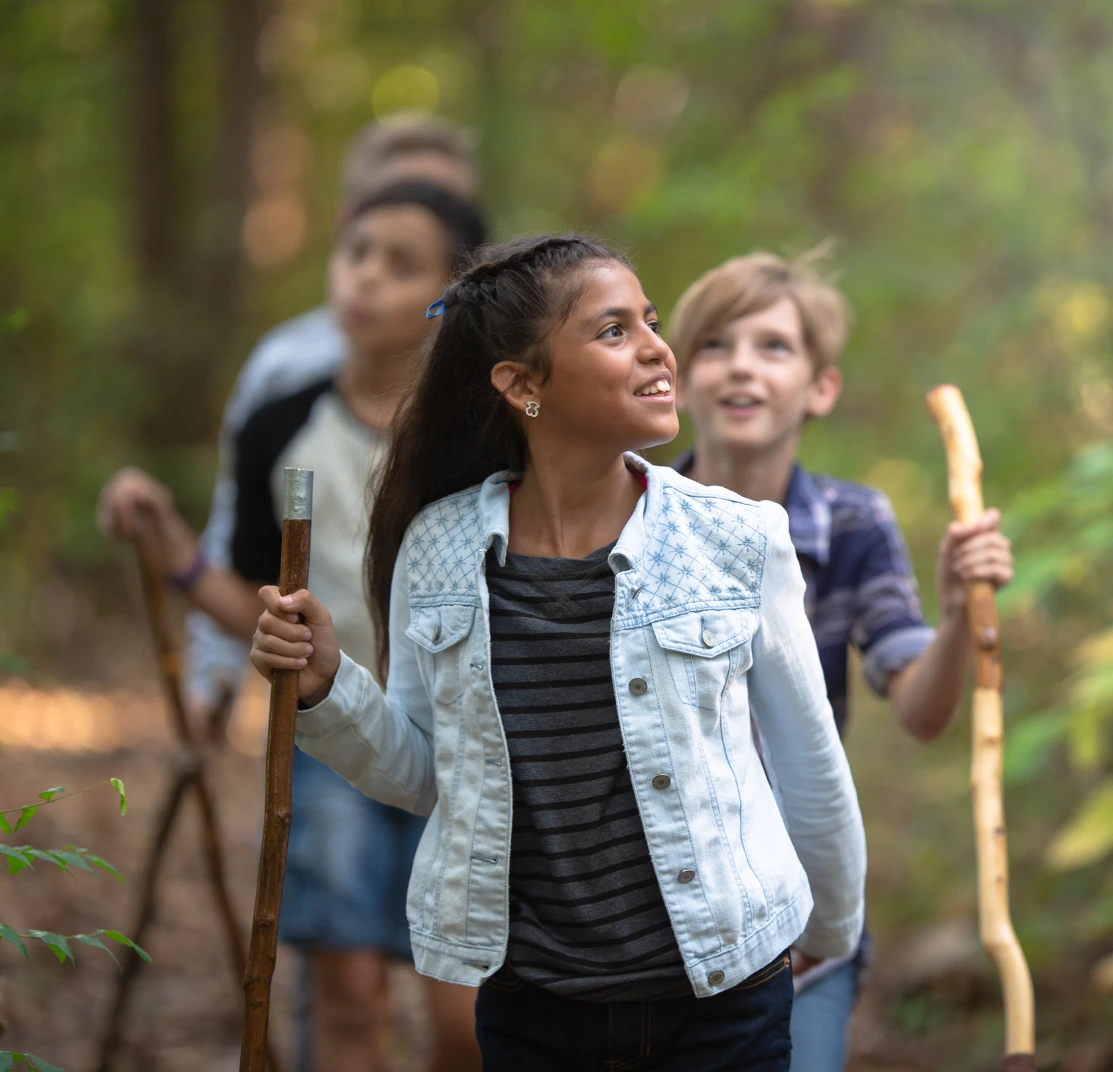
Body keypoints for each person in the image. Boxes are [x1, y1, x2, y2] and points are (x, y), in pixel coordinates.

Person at [244, 234, 867, 1071]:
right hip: (535, 1007)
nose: (657, 347)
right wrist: (327, 686)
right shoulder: (441, 548)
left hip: (725, 996)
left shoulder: (736, 538)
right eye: (614, 331)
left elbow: (808, 757)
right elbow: (427, 772)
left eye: (650, 321)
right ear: (523, 383)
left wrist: (829, 933)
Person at [99, 182, 488, 1071]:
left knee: (464, 1019)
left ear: (450, 295)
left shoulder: (481, 437)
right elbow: (252, 599)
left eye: (401, 264)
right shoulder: (281, 423)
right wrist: (168, 543)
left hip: (468, 743)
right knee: (347, 996)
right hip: (327, 742)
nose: (365, 278)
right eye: (356, 253)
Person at [666, 249, 1015, 1071]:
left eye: (774, 347)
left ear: (820, 388)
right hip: (659, 918)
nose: (742, 366)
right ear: (677, 382)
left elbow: (923, 711)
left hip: (802, 917)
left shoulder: (854, 524)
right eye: (715, 345)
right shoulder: (632, 515)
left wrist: (962, 612)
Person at [184, 114, 481, 706]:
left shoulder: (491, 413)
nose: (369, 275)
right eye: (362, 248)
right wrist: (211, 680)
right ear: (347, 222)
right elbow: (238, 544)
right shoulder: (282, 379)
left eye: (438, 203)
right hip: (330, 712)